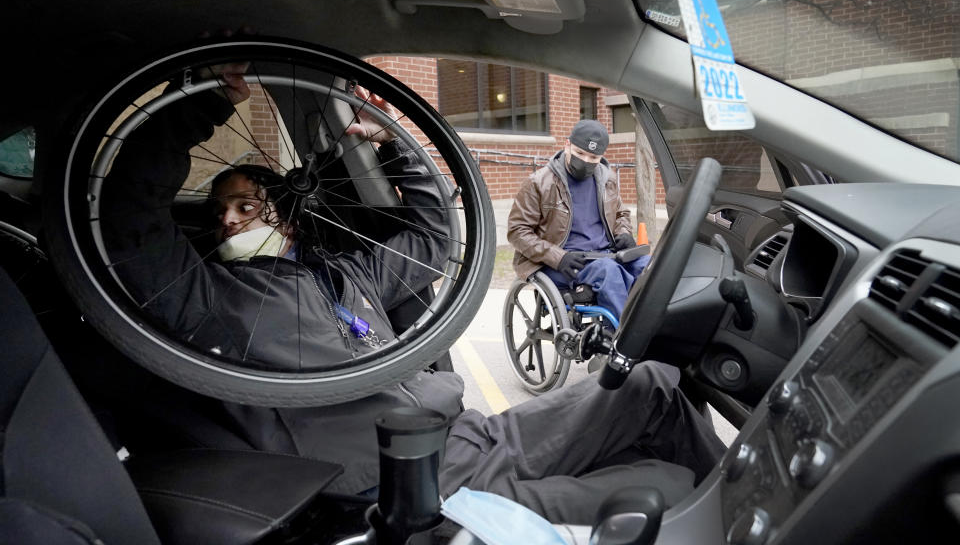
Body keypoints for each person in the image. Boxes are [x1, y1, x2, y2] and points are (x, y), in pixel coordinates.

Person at [100, 65, 725, 526]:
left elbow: (431, 235)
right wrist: (198, 104)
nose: (229, 222)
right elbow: (130, 214)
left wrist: (393, 145)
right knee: (669, 482)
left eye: (245, 205)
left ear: (288, 216)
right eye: (219, 213)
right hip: (405, 479)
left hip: (469, 433)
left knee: (651, 385)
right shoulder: (208, 300)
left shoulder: (348, 274)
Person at [507, 120, 651, 320]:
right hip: (563, 261)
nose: (586, 161)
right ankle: (622, 341)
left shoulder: (607, 179)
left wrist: (624, 233)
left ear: (601, 156)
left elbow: (620, 214)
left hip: (604, 255)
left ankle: (651, 331)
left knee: (649, 266)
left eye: (593, 157)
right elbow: (517, 232)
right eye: (580, 153)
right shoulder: (538, 183)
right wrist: (558, 257)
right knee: (609, 272)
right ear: (567, 145)